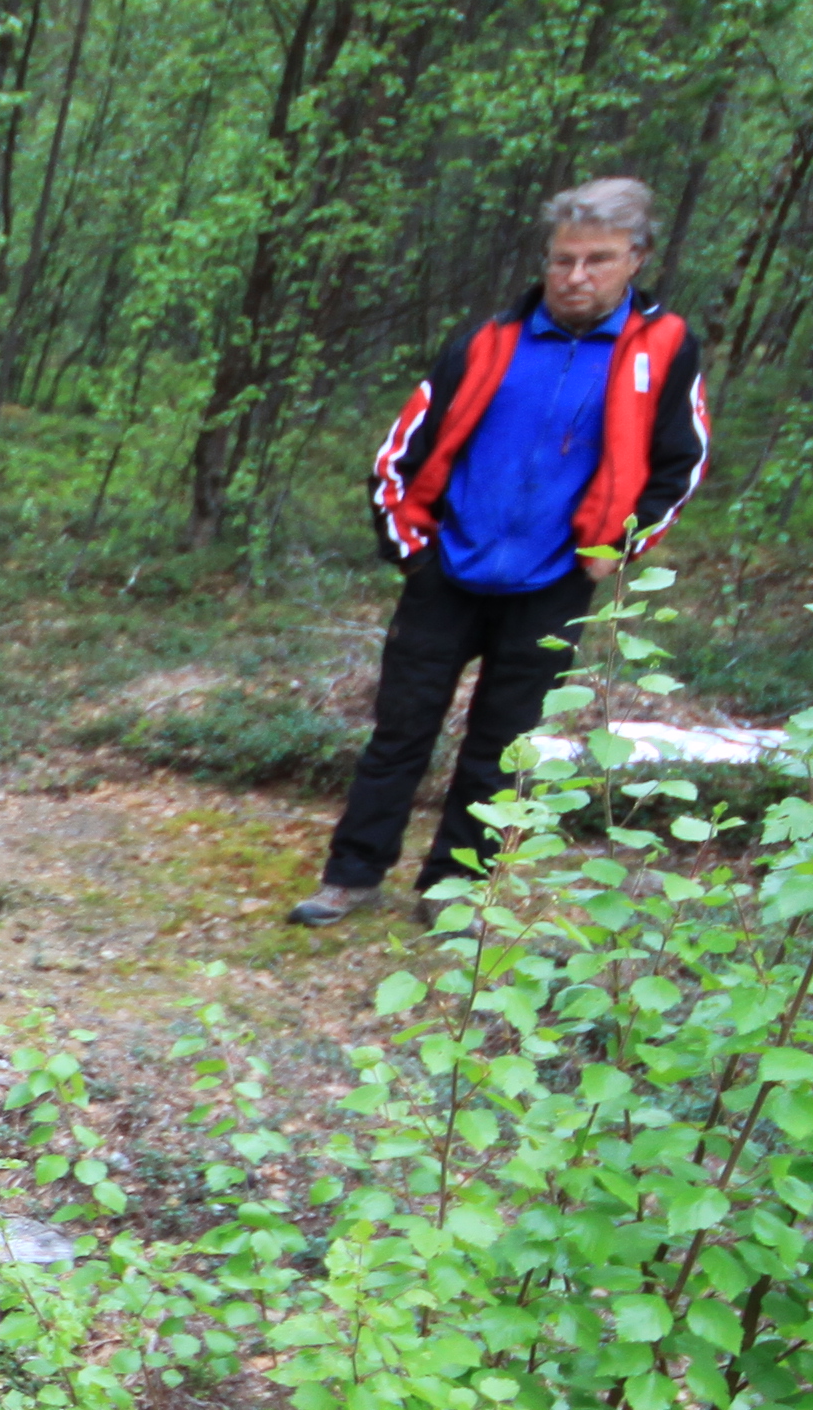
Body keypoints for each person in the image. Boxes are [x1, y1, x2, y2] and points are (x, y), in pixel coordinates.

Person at [288, 176, 711, 925]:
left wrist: (621, 544)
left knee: (503, 748)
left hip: (554, 582)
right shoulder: (487, 342)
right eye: (562, 260)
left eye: (597, 260)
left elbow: (682, 462)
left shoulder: (664, 350)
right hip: (448, 570)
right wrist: (411, 550)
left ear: (636, 259)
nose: (575, 277)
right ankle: (351, 876)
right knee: (400, 731)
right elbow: (401, 449)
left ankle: (454, 891)